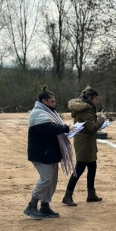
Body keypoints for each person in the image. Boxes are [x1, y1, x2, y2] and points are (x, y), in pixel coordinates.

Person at [25, 86, 77, 220]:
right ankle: (32, 205)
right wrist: (66, 128)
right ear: (44, 101)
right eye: (52, 101)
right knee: (46, 179)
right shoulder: (37, 114)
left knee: (52, 180)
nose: (55, 103)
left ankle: (45, 206)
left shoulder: (48, 113)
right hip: (41, 154)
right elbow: (50, 128)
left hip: (50, 153)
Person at [62, 86, 106, 206]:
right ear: (91, 98)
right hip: (85, 143)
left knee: (92, 167)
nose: (98, 101)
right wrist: (102, 119)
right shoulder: (87, 109)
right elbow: (93, 127)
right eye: (96, 99)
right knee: (79, 168)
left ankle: (91, 194)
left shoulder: (85, 108)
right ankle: (67, 196)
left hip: (86, 142)